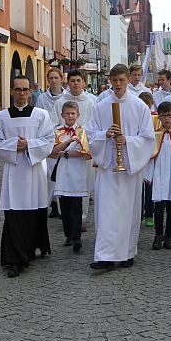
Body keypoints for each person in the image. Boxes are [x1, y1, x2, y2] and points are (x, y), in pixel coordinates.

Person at [87, 63, 156, 270]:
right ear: (109, 80)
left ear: (127, 80)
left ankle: (126, 252)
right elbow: (90, 134)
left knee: (129, 210)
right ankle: (105, 256)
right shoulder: (101, 106)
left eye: (121, 80)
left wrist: (128, 141)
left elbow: (148, 138)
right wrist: (104, 135)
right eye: (114, 80)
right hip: (108, 167)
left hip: (128, 166)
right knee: (107, 211)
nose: (118, 84)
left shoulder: (139, 106)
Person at [0, 75, 56, 278]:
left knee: (34, 211)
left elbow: (49, 140)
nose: (21, 93)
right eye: (17, 90)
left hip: (34, 170)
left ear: (30, 91)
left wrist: (29, 145)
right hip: (14, 171)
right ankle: (16, 259)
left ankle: (33, 248)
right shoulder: (1, 118)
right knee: (15, 214)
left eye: (25, 89)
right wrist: (13, 146)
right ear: (11, 92)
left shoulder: (41, 115)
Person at [55, 69, 97, 227]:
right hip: (64, 145)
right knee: (62, 184)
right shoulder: (60, 101)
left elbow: (95, 125)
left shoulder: (91, 101)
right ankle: (65, 218)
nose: (75, 83)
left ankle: (81, 219)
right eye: (72, 81)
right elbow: (54, 123)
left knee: (84, 183)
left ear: (83, 83)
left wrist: (84, 135)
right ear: (68, 83)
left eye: (78, 80)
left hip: (82, 148)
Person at [48, 101, 91, 253]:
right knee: (64, 206)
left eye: (73, 113)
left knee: (76, 205)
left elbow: (84, 152)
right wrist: (66, 143)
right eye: (68, 113)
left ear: (78, 115)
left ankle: (77, 237)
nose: (70, 116)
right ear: (62, 115)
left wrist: (64, 153)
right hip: (62, 172)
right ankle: (68, 234)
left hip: (76, 172)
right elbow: (52, 151)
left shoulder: (82, 131)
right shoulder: (58, 131)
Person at [148, 101, 171, 250]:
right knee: (159, 206)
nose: (167, 118)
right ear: (159, 117)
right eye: (163, 115)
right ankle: (158, 235)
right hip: (160, 175)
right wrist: (149, 175)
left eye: (169, 115)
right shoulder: (155, 135)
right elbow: (150, 156)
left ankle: (169, 237)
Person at [37, 67, 67, 217]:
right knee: (50, 173)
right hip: (48, 137)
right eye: (51, 78)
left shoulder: (66, 97)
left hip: (64, 137)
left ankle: (61, 204)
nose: (54, 81)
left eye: (56, 78)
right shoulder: (42, 98)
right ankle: (52, 204)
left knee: (62, 171)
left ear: (61, 78)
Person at [138, 91, 157, 226]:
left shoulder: (156, 118)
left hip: (152, 156)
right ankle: (137, 214)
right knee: (138, 188)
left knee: (149, 187)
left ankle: (149, 214)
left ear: (151, 104)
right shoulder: (136, 117)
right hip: (138, 154)